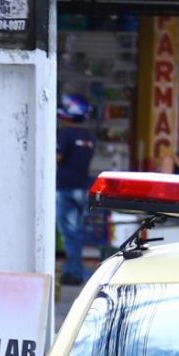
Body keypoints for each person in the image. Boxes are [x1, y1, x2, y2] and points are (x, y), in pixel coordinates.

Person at [55, 94, 99, 286]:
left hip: (65, 188)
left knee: (68, 233)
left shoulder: (66, 135)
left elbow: (57, 158)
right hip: (82, 188)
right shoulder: (88, 137)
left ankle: (74, 272)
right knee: (76, 232)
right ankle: (74, 270)